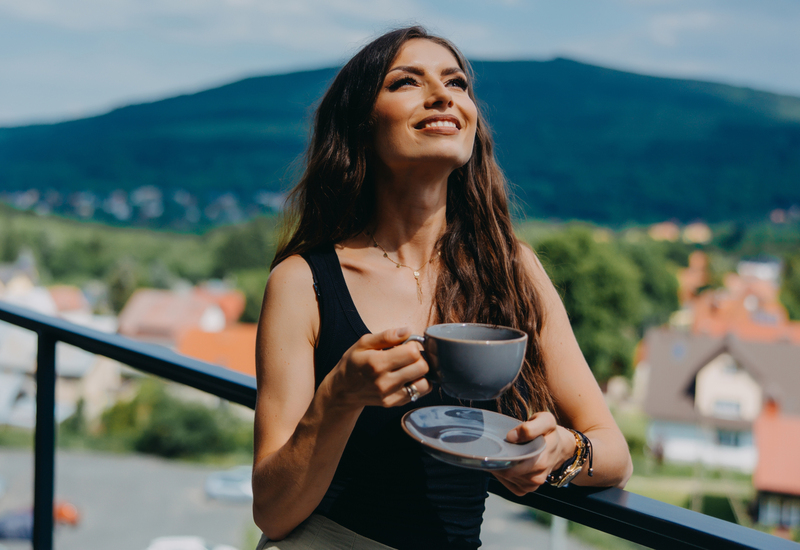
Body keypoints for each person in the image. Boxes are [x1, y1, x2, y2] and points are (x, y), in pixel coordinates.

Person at [252, 26, 633, 550]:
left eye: (456, 83)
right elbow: (272, 513)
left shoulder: (512, 270)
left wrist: (559, 451)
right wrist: (338, 398)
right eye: (406, 82)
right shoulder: (303, 282)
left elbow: (614, 453)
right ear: (361, 124)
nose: (442, 94)